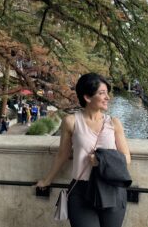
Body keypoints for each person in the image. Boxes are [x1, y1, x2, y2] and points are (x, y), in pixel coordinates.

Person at [36, 73, 131, 227]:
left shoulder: (114, 123)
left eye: (107, 93)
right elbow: (63, 154)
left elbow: (126, 158)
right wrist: (47, 180)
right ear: (87, 97)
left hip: (111, 189)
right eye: (102, 93)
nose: (107, 97)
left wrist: (101, 160)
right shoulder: (71, 121)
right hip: (81, 190)